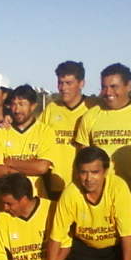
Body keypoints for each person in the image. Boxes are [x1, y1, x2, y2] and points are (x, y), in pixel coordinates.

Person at [76, 63, 131, 198]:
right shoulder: (90, 116)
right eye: (104, 87)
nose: (108, 92)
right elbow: (83, 159)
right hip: (101, 195)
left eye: (114, 86)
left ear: (129, 86)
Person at [0, 84, 57, 198]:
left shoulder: (45, 131)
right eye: (14, 104)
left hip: (36, 197)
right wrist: (25, 169)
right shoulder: (1, 132)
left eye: (22, 104)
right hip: (7, 199)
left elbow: (42, 167)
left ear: (33, 106)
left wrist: (10, 163)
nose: (17, 110)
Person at [40, 61, 89, 196]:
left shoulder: (93, 107)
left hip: (85, 185)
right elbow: (34, 132)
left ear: (81, 83)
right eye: (60, 83)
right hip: (56, 184)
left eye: (68, 83)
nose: (63, 88)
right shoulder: (52, 109)